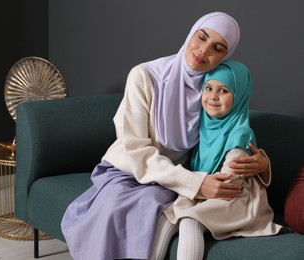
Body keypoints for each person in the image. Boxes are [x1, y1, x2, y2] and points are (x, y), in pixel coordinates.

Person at [61, 12, 269, 260]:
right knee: (115, 209)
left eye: (217, 48)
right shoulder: (145, 76)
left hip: (176, 179)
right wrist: (196, 184)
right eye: (200, 38)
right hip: (130, 169)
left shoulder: (213, 88)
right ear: (191, 33)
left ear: (225, 56)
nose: (203, 51)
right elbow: (136, 150)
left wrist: (263, 164)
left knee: (153, 207)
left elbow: (228, 134)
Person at [161, 60, 282, 260]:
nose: (213, 97)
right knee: (166, 217)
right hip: (206, 190)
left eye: (224, 91)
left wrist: (193, 185)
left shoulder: (240, 135)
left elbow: (228, 181)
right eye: (208, 88)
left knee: (191, 220)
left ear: (240, 95)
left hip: (235, 199)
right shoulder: (203, 125)